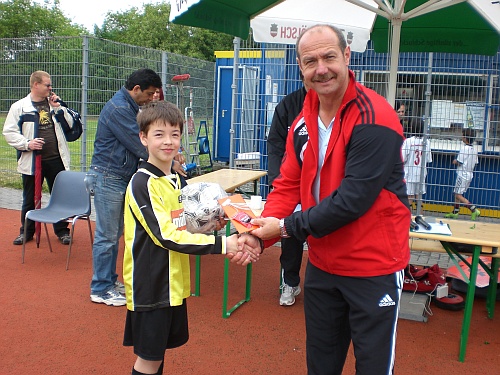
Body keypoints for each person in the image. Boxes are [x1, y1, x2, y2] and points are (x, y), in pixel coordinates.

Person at [251, 25, 410, 375]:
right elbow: (286, 185)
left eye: (328, 57)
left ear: (347, 57)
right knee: (321, 365)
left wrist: (285, 227)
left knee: (373, 368)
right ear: (300, 67)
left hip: (374, 266)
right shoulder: (302, 123)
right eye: (311, 61)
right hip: (323, 263)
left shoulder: (375, 117)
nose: (321, 68)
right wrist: (255, 234)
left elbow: (353, 200)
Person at [123, 100, 262, 375]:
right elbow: (166, 236)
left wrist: (212, 223)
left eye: (174, 134)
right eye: (159, 134)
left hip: (171, 283)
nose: (168, 142)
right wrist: (224, 243)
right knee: (148, 360)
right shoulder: (142, 183)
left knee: (158, 356)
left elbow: (183, 226)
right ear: (143, 137)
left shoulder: (174, 178)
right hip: (151, 285)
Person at [88, 68, 162, 307]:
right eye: (149, 94)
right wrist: (166, 158)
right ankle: (100, 288)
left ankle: (108, 281)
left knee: (115, 233)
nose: (151, 98)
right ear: (136, 89)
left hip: (117, 176)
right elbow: (139, 144)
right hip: (109, 177)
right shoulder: (120, 109)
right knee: (107, 236)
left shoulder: (129, 106)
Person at [3, 70, 72, 246]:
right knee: (30, 197)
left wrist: (58, 107)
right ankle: (26, 231)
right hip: (32, 161)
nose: (50, 88)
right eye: (47, 85)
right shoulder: (20, 107)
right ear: (36, 85)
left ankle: (62, 230)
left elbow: (71, 125)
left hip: (56, 159)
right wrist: (27, 144)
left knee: (60, 197)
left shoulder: (54, 104)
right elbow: (9, 132)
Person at [268, 75, 308, 306]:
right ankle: (290, 281)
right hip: (292, 182)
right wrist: (276, 178)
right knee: (289, 234)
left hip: (325, 188)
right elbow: (275, 142)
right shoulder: (288, 104)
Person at [444, 128, 480, 220]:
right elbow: (475, 162)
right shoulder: (474, 150)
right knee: (458, 192)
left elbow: (460, 161)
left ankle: (473, 208)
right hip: (469, 174)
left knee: (457, 195)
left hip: (462, 174)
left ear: (465, 138)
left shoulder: (464, 149)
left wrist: (455, 161)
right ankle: (455, 211)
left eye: (463, 135)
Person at [401, 117, 433, 210]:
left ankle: (409, 218)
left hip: (410, 172)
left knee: (409, 196)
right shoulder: (426, 142)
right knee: (419, 197)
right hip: (421, 173)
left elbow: (402, 158)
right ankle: (420, 215)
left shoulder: (408, 141)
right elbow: (428, 159)